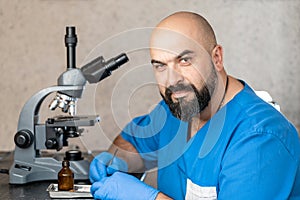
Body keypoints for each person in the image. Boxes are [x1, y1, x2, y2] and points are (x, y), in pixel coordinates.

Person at [89, 11, 300, 199]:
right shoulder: (178, 108)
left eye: (184, 60)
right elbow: (132, 143)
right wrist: (116, 163)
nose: (172, 80)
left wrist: (148, 198)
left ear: (216, 58)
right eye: (161, 66)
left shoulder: (260, 138)